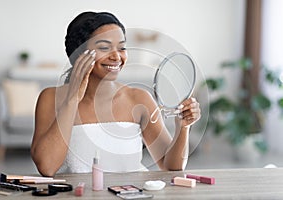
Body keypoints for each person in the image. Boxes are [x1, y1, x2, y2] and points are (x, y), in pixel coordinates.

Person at [31, 11, 201, 177]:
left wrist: (183, 128)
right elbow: (47, 167)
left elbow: (171, 167)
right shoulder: (50, 98)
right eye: (104, 47)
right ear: (78, 54)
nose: (116, 56)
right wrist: (72, 100)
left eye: (122, 48)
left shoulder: (139, 99)